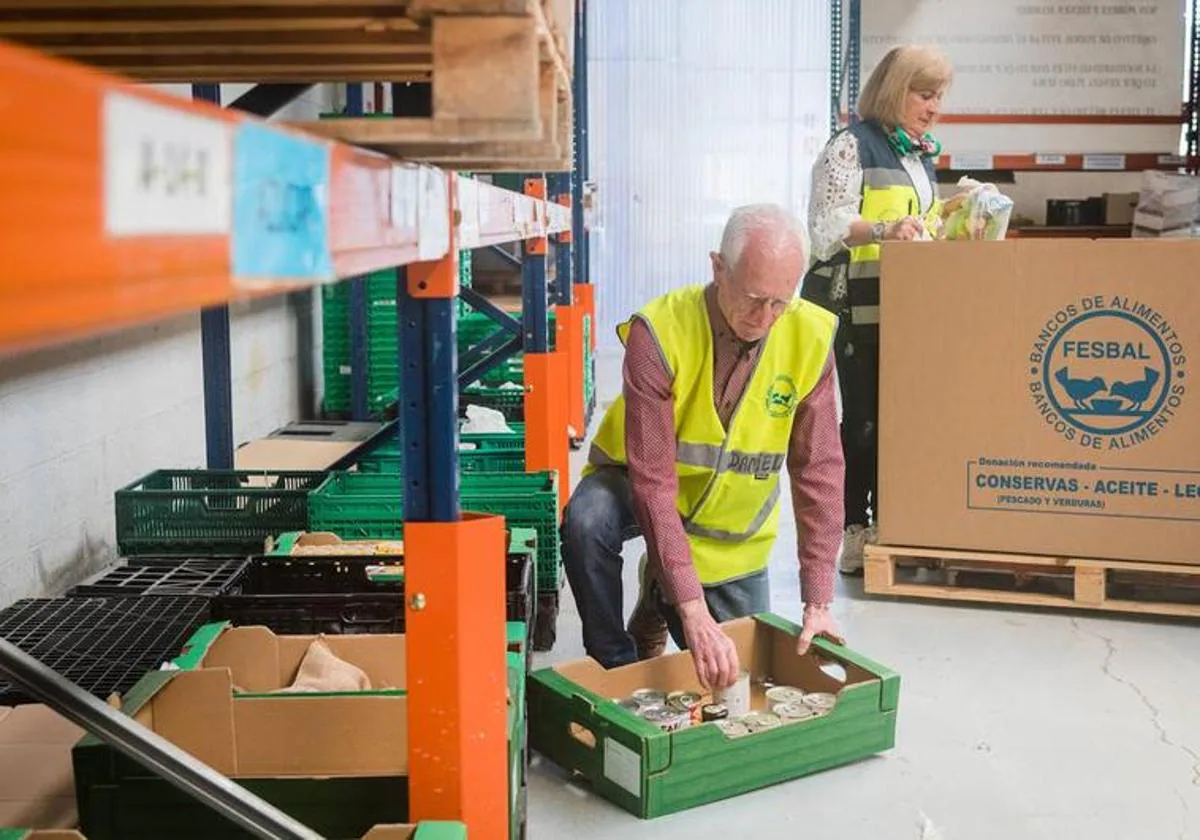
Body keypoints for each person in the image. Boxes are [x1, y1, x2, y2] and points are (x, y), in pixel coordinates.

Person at [559, 203, 846, 690]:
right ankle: (618, 664)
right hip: (639, 490)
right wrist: (693, 609)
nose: (766, 317)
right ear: (717, 268)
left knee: (740, 681)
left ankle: (657, 595)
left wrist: (817, 601)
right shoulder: (659, 333)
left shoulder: (809, 337)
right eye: (754, 298)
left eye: (781, 302)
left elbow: (818, 470)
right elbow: (653, 483)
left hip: (727, 533)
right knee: (586, 521)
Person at [801, 44, 954, 574]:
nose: (934, 106)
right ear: (895, 91)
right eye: (924, 94)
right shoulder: (851, 148)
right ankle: (854, 531)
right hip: (852, 306)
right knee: (862, 420)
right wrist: (887, 230)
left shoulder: (916, 154)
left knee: (899, 418)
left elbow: (919, 222)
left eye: (939, 96)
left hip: (904, 310)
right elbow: (825, 228)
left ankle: (895, 520)